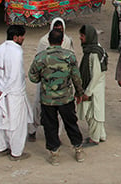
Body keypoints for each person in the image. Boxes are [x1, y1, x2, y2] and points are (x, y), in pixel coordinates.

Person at [29, 29, 86, 165]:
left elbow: (32, 76)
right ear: (62, 41)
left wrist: (45, 80)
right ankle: (78, 149)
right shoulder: (69, 56)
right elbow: (76, 78)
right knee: (71, 123)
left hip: (47, 100)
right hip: (65, 98)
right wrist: (79, 93)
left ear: (49, 40)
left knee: (50, 125)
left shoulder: (41, 57)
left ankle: (54, 154)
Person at [0, 25, 33, 161]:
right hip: (14, 93)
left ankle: (1, 147)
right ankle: (16, 152)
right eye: (22, 36)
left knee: (2, 119)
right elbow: (14, 76)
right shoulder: (16, 52)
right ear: (15, 37)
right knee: (16, 123)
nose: (23, 39)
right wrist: (5, 90)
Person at [29, 18, 74, 141]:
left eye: (60, 29)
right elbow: (38, 61)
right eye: (56, 29)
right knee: (38, 105)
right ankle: (32, 130)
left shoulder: (67, 41)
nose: (58, 31)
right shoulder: (44, 41)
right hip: (45, 80)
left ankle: (56, 136)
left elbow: (71, 60)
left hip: (62, 81)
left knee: (60, 111)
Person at [78, 25, 108, 147]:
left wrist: (87, 92)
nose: (80, 38)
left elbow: (95, 75)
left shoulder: (94, 53)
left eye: (82, 36)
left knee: (93, 113)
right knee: (95, 112)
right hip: (94, 86)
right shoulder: (94, 49)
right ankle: (101, 135)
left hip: (94, 87)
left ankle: (94, 138)